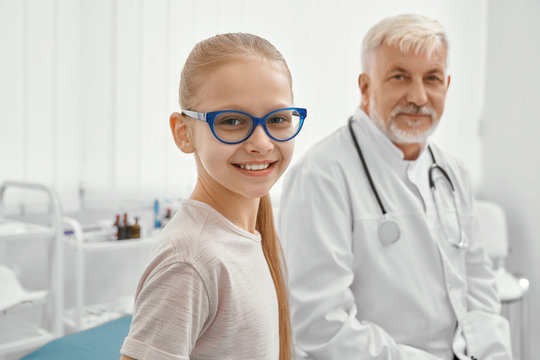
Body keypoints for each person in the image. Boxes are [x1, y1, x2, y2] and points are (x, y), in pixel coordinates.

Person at [279, 14, 512, 360]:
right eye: (399, 77)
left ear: (446, 85)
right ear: (365, 87)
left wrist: (494, 353)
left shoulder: (452, 171)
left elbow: (478, 285)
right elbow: (318, 325)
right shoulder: (321, 176)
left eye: (431, 78)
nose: (418, 97)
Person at [120, 33, 306, 360]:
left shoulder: (250, 236)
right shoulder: (190, 259)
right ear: (184, 132)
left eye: (277, 119)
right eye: (232, 121)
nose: (261, 143)